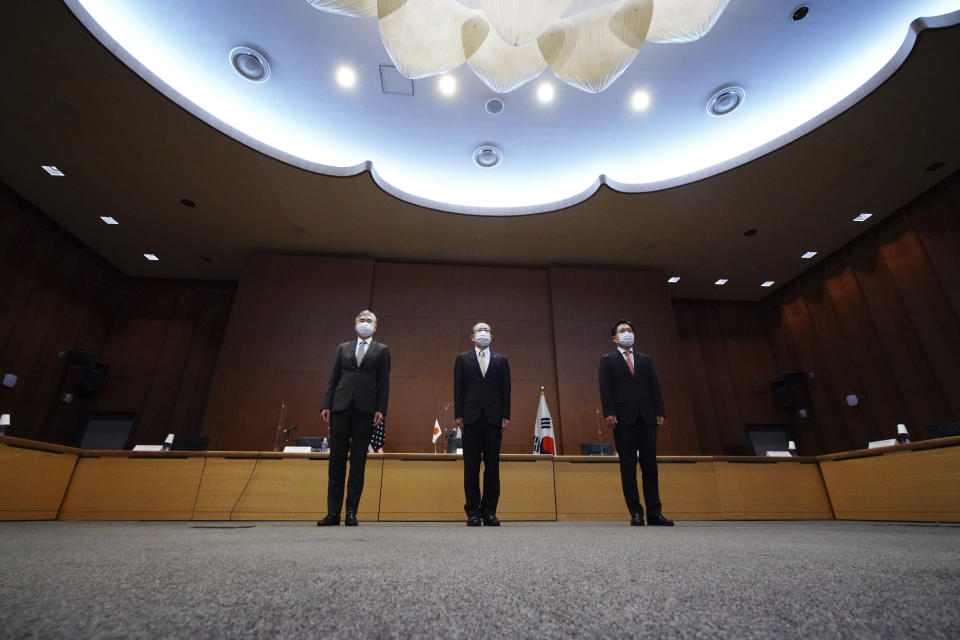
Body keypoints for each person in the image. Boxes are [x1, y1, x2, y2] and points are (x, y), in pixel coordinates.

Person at [317, 310, 390, 527]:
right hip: (340, 408)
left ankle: (351, 512)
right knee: (336, 462)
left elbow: (384, 384)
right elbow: (333, 377)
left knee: (358, 463)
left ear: (375, 327)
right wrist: (326, 404)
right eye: (362, 320)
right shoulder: (343, 348)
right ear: (355, 324)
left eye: (369, 321)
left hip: (365, 411)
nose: (365, 323)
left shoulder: (383, 350)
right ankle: (332, 513)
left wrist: (381, 410)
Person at [598, 319, 674, 527]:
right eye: (622, 331)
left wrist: (660, 410)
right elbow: (605, 390)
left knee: (650, 467)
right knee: (628, 468)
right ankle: (636, 513)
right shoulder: (608, 360)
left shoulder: (646, 360)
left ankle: (655, 513)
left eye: (629, 330)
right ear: (615, 338)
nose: (627, 333)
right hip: (623, 420)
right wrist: (609, 413)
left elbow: (654, 387)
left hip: (647, 418)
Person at [454, 322, 511, 526]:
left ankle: (489, 512)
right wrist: (458, 415)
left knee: (492, 467)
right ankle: (472, 512)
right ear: (472, 336)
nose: (483, 333)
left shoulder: (502, 361)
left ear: (492, 337)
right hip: (470, 419)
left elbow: (506, 390)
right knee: (471, 467)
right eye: (479, 330)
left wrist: (506, 414)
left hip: (494, 419)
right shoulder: (462, 359)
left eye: (487, 330)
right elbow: (458, 389)